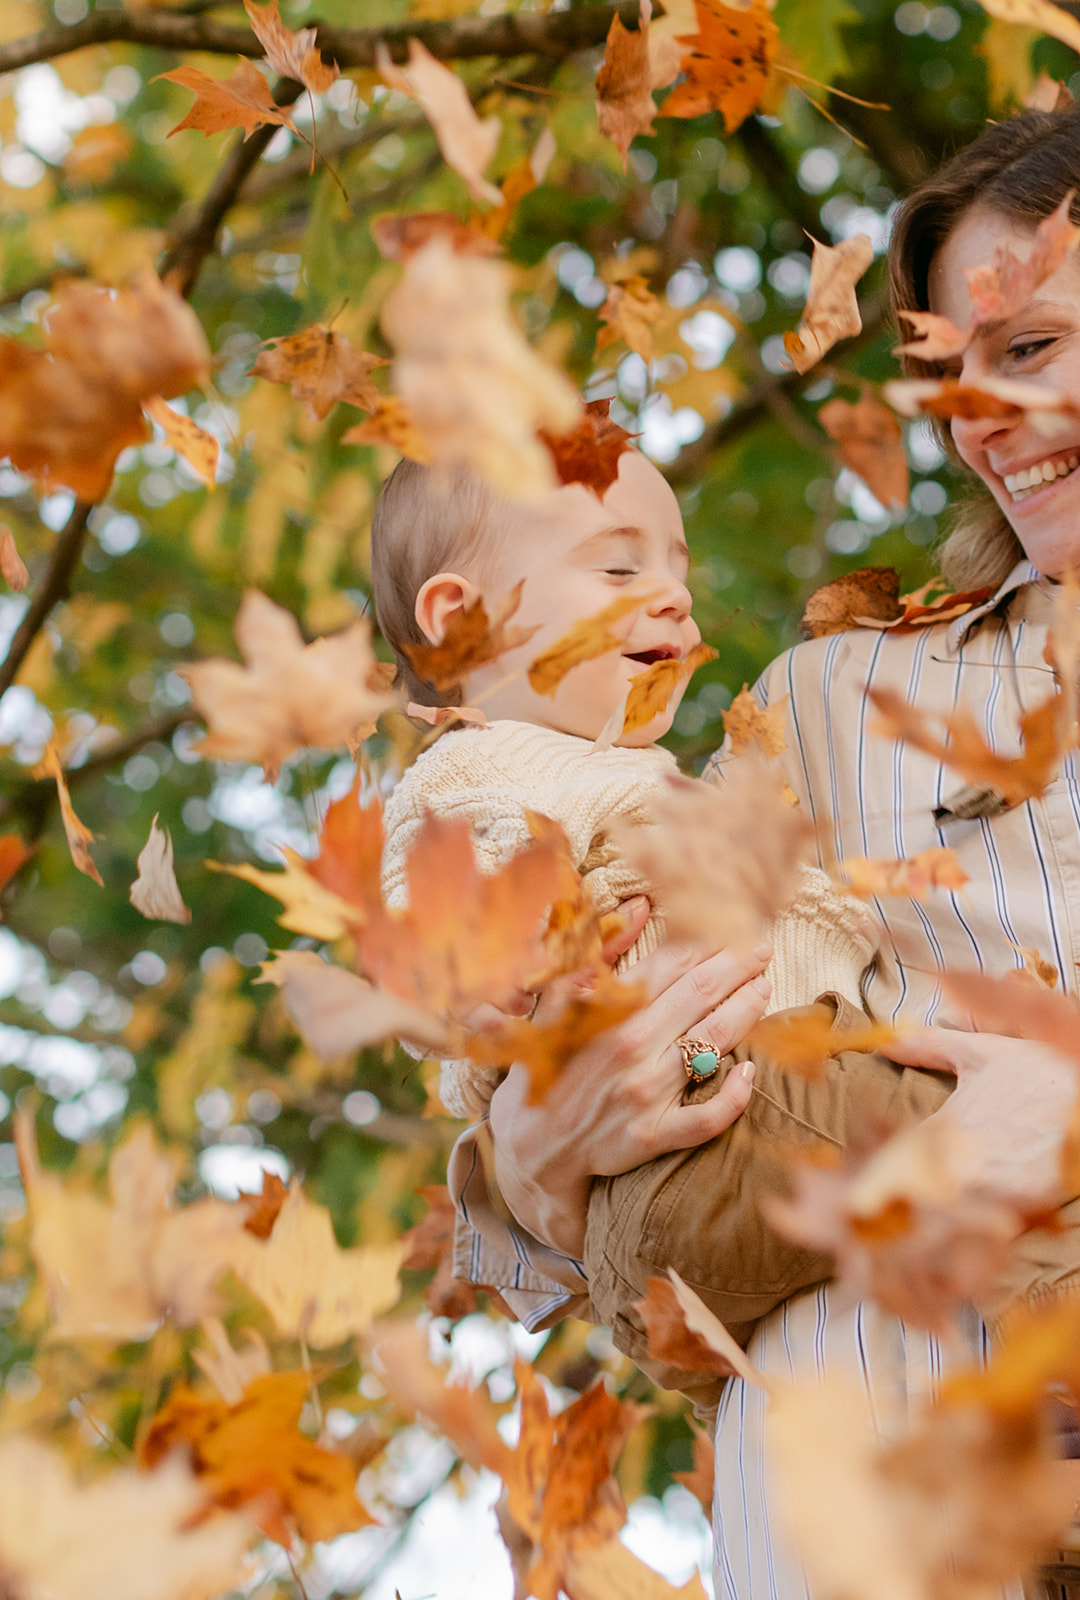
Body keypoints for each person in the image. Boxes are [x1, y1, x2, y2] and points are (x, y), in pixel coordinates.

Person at [430, 101, 1080, 1600]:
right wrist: (525, 1168)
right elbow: (631, 986)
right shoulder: (840, 703)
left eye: (1029, 347)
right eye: (950, 372)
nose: (979, 412)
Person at [371, 439, 1080, 1423]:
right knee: (973, 1129)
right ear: (457, 621)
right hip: (733, 1120)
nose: (671, 596)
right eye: (620, 567)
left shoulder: (616, 782)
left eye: (677, 567)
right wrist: (520, 1116)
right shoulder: (495, 775)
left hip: (718, 1193)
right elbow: (450, 951)